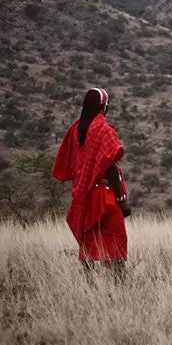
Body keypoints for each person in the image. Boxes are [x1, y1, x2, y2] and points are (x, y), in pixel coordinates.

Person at [51, 87, 132, 278]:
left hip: (84, 193)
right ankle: (119, 281)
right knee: (117, 237)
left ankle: (89, 283)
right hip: (105, 193)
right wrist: (122, 199)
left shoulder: (76, 129)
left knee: (89, 237)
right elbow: (110, 165)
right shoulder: (103, 130)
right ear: (103, 106)